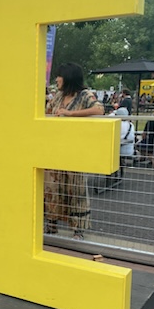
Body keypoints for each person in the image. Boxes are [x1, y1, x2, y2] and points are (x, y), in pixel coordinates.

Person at [44, 63, 104, 240]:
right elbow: (47, 112)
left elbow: (99, 110)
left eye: (59, 76)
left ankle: (78, 229)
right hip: (55, 150)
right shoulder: (58, 97)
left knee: (76, 188)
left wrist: (71, 115)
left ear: (69, 77)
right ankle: (51, 224)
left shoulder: (84, 95)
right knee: (53, 188)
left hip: (75, 151)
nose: (57, 79)